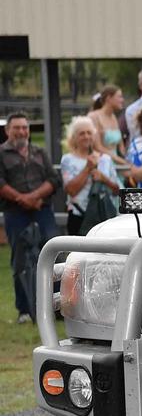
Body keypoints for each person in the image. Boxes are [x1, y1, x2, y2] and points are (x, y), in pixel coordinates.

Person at [0, 112, 62, 324]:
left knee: (52, 256)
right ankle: (24, 311)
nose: (22, 132)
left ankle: (55, 307)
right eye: (16, 128)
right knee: (20, 260)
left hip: (42, 210)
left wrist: (34, 197)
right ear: (8, 130)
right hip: (15, 213)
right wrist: (22, 199)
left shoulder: (39, 152)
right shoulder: (1, 153)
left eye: (25, 127)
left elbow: (54, 179)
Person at [59, 116, 121, 235]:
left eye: (89, 133)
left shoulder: (106, 159)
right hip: (79, 216)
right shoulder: (68, 160)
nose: (86, 136)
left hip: (103, 214)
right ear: (74, 137)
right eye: (82, 133)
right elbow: (71, 190)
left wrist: (104, 179)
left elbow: (117, 190)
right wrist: (87, 168)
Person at [88, 85, 130, 170]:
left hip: (117, 164)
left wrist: (127, 160)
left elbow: (121, 146)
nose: (122, 100)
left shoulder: (113, 117)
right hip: (102, 164)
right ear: (108, 98)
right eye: (119, 97)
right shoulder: (93, 117)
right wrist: (121, 161)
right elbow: (97, 147)